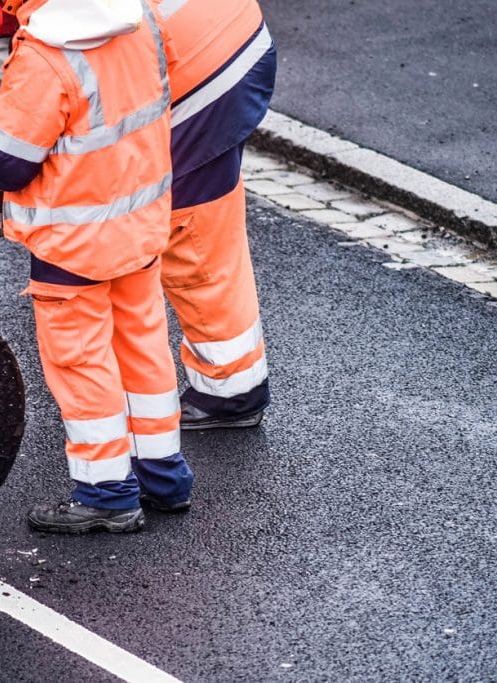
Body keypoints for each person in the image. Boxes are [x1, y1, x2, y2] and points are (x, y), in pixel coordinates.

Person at [0, 0, 193, 533]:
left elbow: (7, 164)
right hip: (139, 226)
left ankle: (107, 495)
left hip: (73, 246)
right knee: (143, 347)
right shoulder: (140, 21)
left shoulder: (46, 58)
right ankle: (163, 477)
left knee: (82, 362)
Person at [155, 0, 277, 430]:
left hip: (196, 68)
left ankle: (231, 392)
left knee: (188, 230)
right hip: (230, 34)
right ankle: (233, 387)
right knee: (211, 219)